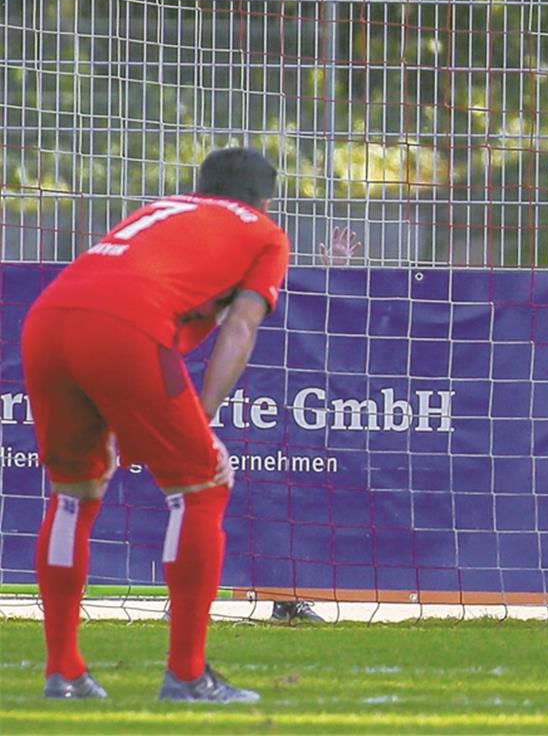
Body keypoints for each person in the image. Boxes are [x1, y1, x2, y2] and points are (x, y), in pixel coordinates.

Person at [23, 147, 290, 701]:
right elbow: (240, 327)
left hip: (48, 321)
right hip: (124, 327)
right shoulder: (264, 233)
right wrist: (205, 418)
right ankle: (188, 675)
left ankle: (63, 671)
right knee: (203, 482)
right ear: (265, 201)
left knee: (72, 493)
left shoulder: (164, 208)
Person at [268, 226, 361, 625]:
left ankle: (290, 599)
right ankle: (183, 597)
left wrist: (333, 275)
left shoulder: (304, 315)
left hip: (303, 422)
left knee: (304, 506)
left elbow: (333, 322)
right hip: (254, 417)